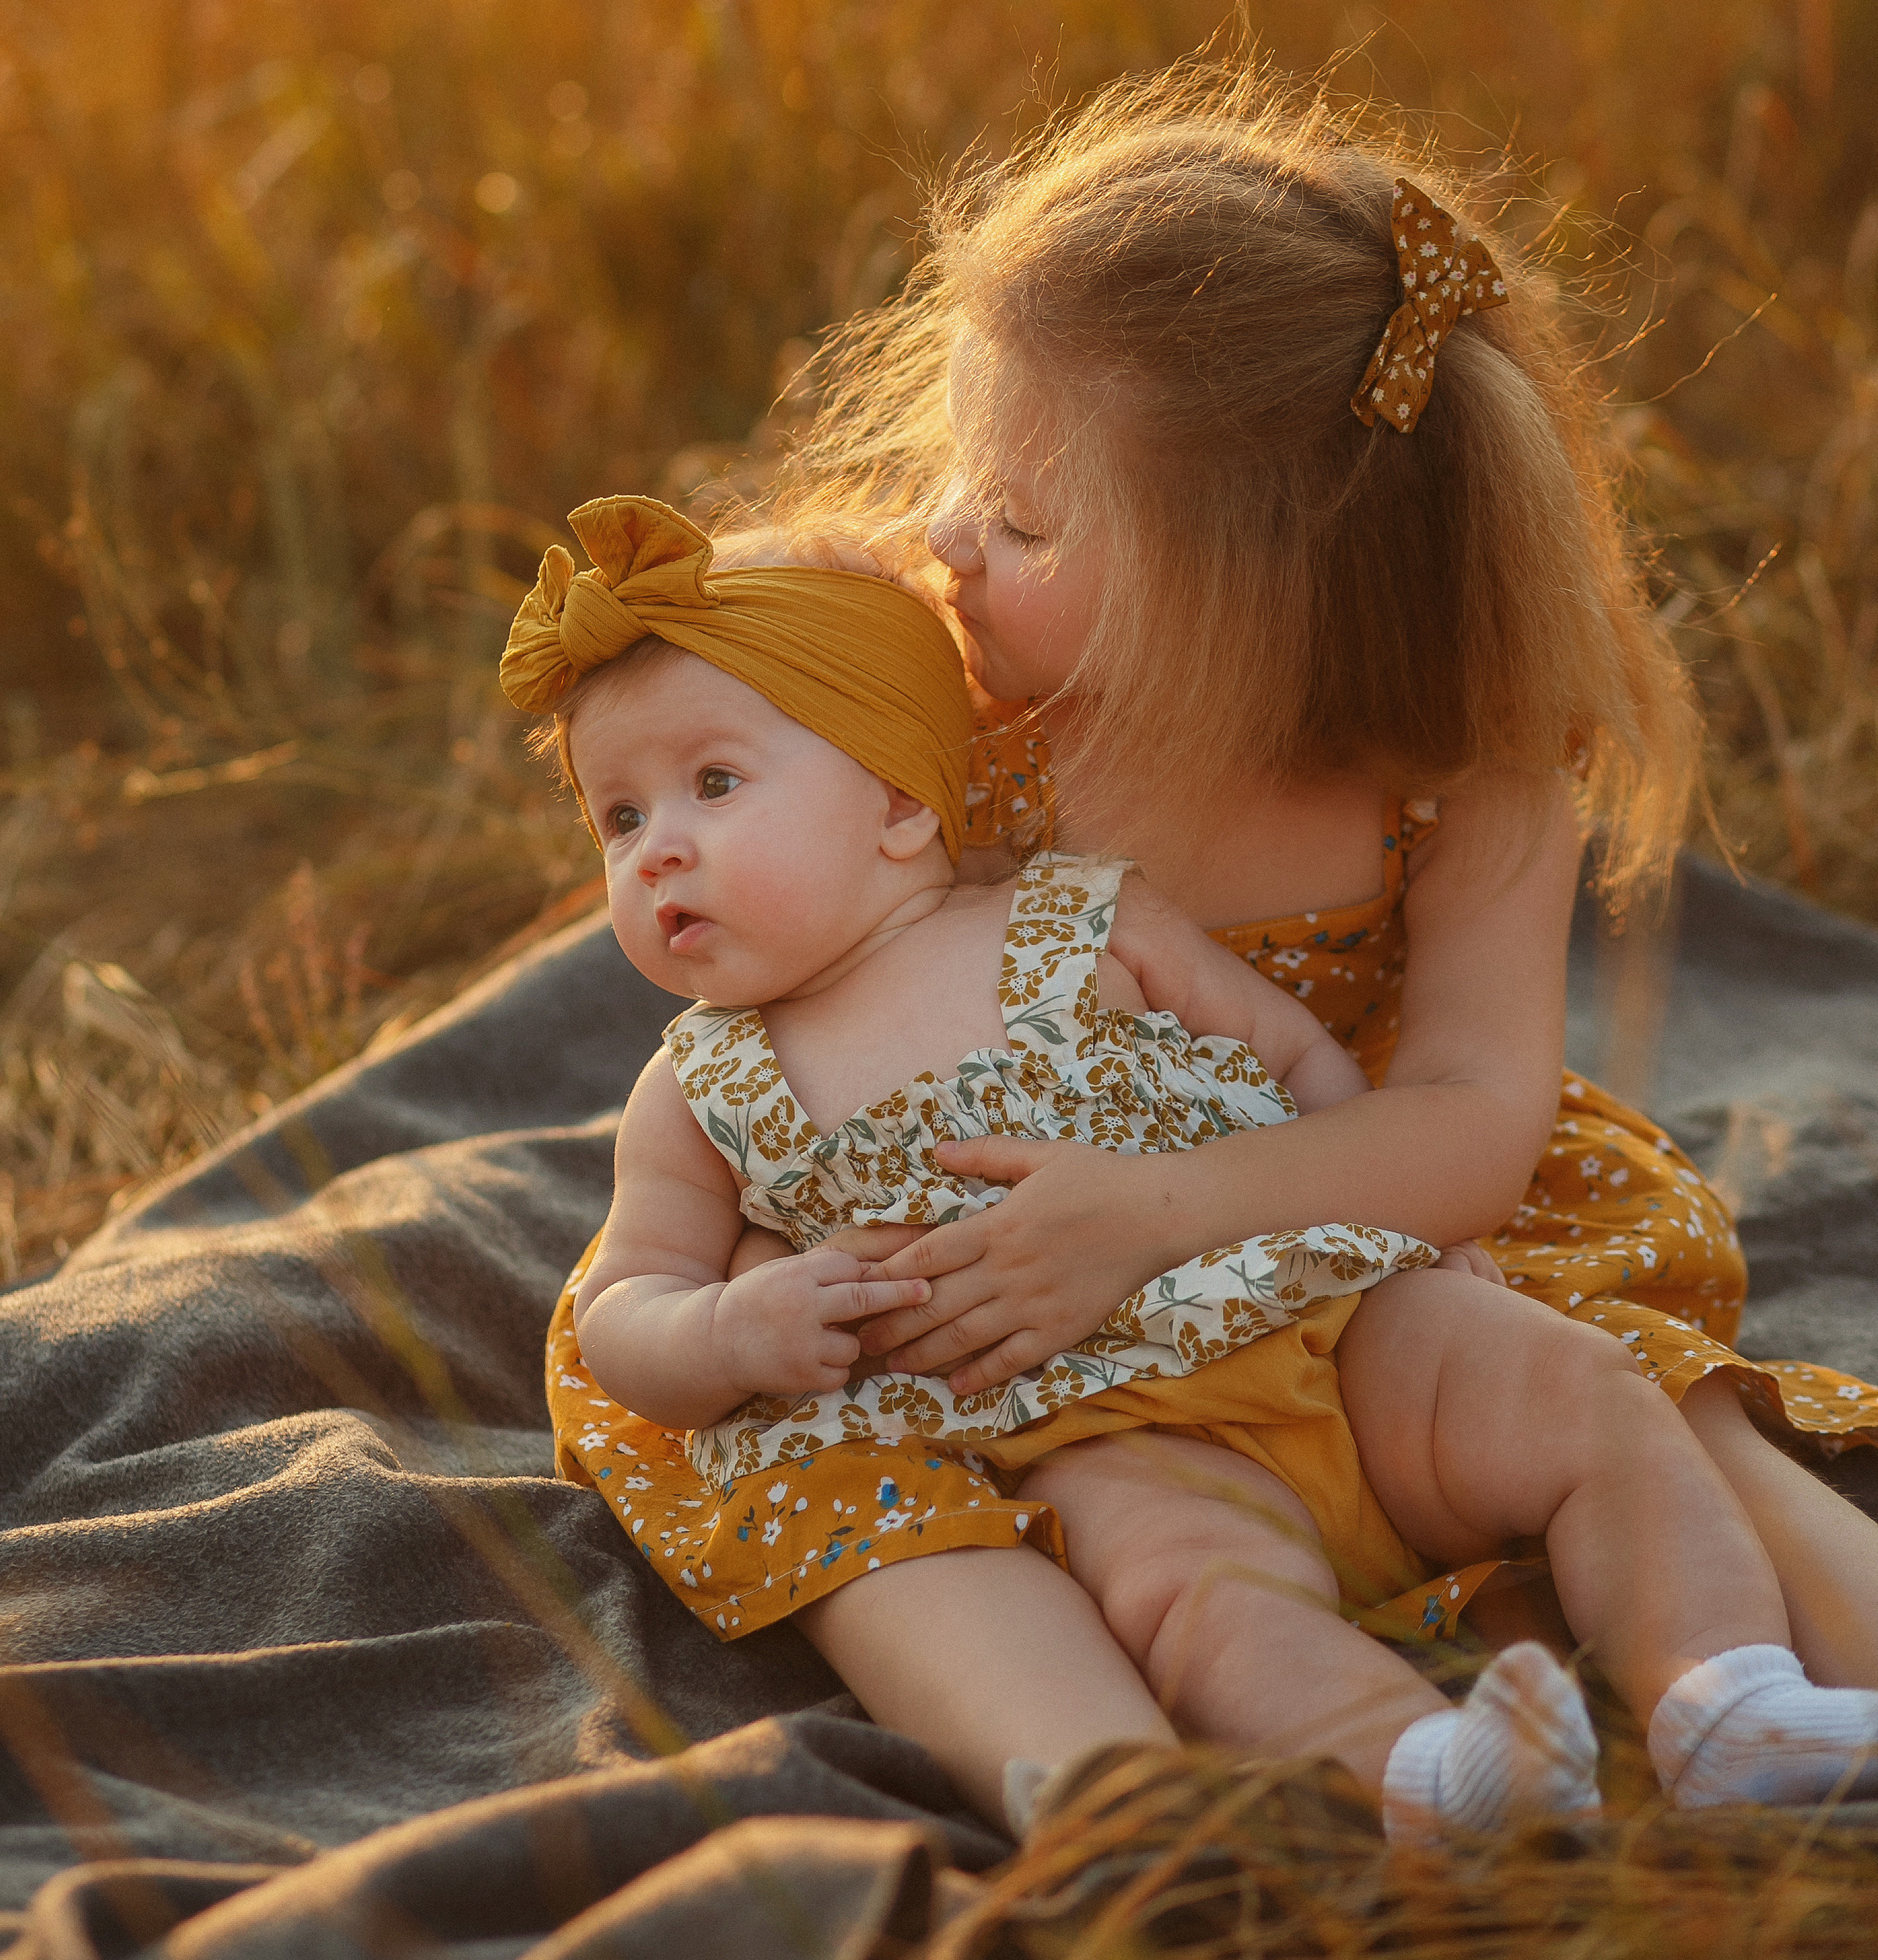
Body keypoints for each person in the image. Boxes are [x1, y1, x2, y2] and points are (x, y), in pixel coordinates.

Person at [505, 491, 1878, 1839]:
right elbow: (629, 1302)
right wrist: (730, 1331)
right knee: (1199, 1601)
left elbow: (1303, 1069)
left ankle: (1723, 1695)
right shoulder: (697, 1087)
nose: (659, 847)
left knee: (1585, 1395)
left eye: (715, 784)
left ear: (897, 805)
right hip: (1091, 1424)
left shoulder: (1082, 914)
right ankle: (1427, 1772)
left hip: (1327, 1314)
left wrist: (1420, 1241)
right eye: (617, 820)